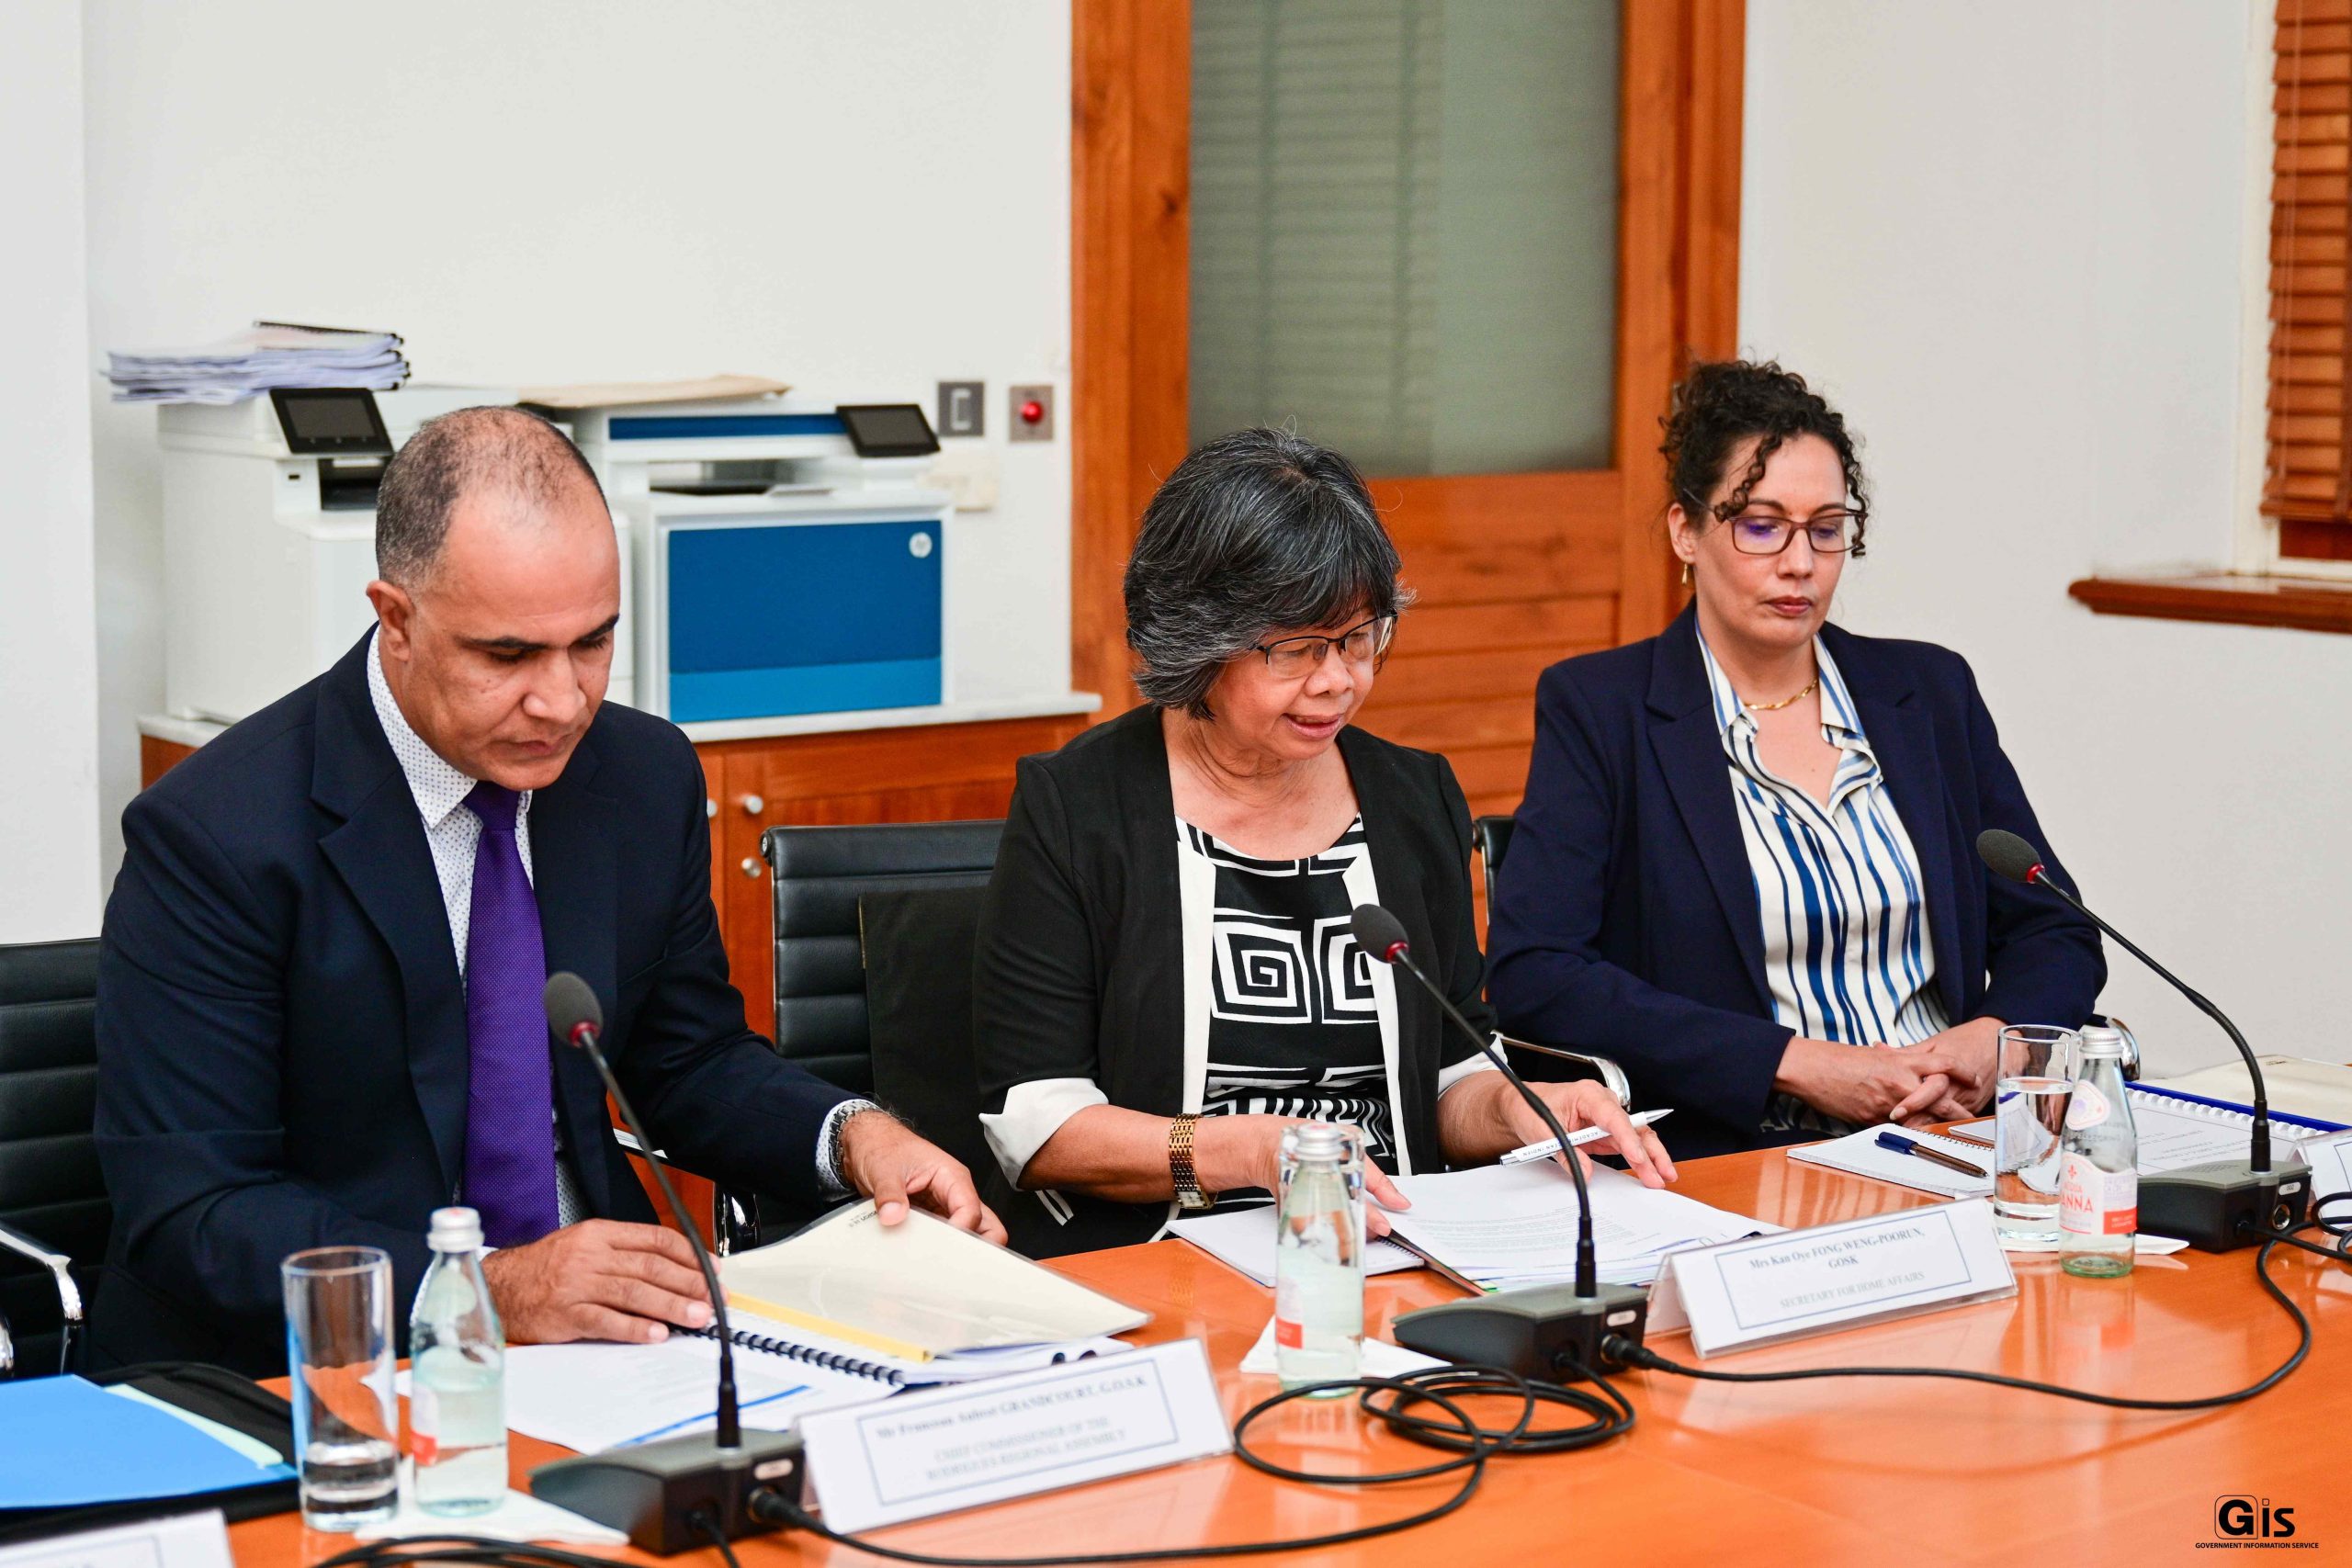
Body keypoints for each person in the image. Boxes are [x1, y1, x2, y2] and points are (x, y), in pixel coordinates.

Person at [93, 407, 1001, 1375]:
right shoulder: (218, 833)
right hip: (324, 1363)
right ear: (396, 620)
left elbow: (687, 1060)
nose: (563, 702)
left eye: (593, 643)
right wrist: (486, 1291)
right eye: (509, 655)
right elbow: (195, 1208)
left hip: (604, 1344)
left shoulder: (641, 776)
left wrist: (853, 1136)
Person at [973, 426, 1673, 1257]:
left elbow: (1449, 1075)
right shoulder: (1079, 807)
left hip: (1393, 1242)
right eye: (1298, 648)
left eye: (1359, 638)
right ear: (1197, 640)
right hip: (1169, 1253)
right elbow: (1037, 1125)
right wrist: (1244, 1151)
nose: (1339, 679)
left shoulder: (1412, 797)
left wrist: (1527, 1108)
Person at [1487, 361, 2105, 1158]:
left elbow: (2055, 925)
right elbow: (1537, 974)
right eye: (1761, 525)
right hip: (1746, 1153)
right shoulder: (1604, 710)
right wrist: (1795, 1064)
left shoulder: (1927, 693)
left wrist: (1996, 1038)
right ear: (1685, 531)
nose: (1799, 562)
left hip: (1956, 1134)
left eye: (1826, 528)